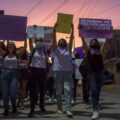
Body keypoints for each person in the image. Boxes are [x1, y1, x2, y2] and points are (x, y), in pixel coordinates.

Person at [52, 23, 74, 117]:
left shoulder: (68, 50)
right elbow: (53, 39)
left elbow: (72, 39)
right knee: (59, 90)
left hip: (67, 72)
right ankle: (59, 108)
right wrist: (54, 29)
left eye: (63, 40)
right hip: (57, 72)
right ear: (58, 43)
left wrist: (72, 29)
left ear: (65, 43)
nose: (61, 41)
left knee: (68, 90)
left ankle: (68, 109)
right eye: (59, 40)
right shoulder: (55, 49)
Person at [0, 41, 26, 116]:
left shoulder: (17, 55)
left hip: (14, 74)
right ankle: (6, 109)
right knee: (5, 93)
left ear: (14, 47)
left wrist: (25, 37)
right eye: (9, 45)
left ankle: (14, 105)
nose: (10, 46)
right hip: (4, 74)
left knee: (12, 92)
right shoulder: (4, 54)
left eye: (12, 45)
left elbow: (24, 48)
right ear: (7, 47)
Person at [81, 37, 104, 119]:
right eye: (92, 42)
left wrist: (109, 33)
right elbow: (84, 45)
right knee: (94, 90)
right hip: (91, 73)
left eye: (95, 42)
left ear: (98, 44)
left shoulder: (100, 51)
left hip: (100, 73)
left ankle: (96, 106)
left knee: (97, 92)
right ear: (90, 44)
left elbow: (107, 45)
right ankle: (95, 110)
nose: (93, 43)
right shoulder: (88, 51)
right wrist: (82, 37)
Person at [28, 38, 48, 117]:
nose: (39, 42)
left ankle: (41, 105)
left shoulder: (44, 50)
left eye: (40, 41)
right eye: (37, 41)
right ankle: (32, 108)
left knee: (42, 90)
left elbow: (46, 60)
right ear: (35, 42)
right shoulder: (33, 49)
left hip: (42, 71)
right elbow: (30, 42)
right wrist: (29, 35)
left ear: (42, 42)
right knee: (33, 91)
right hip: (33, 71)